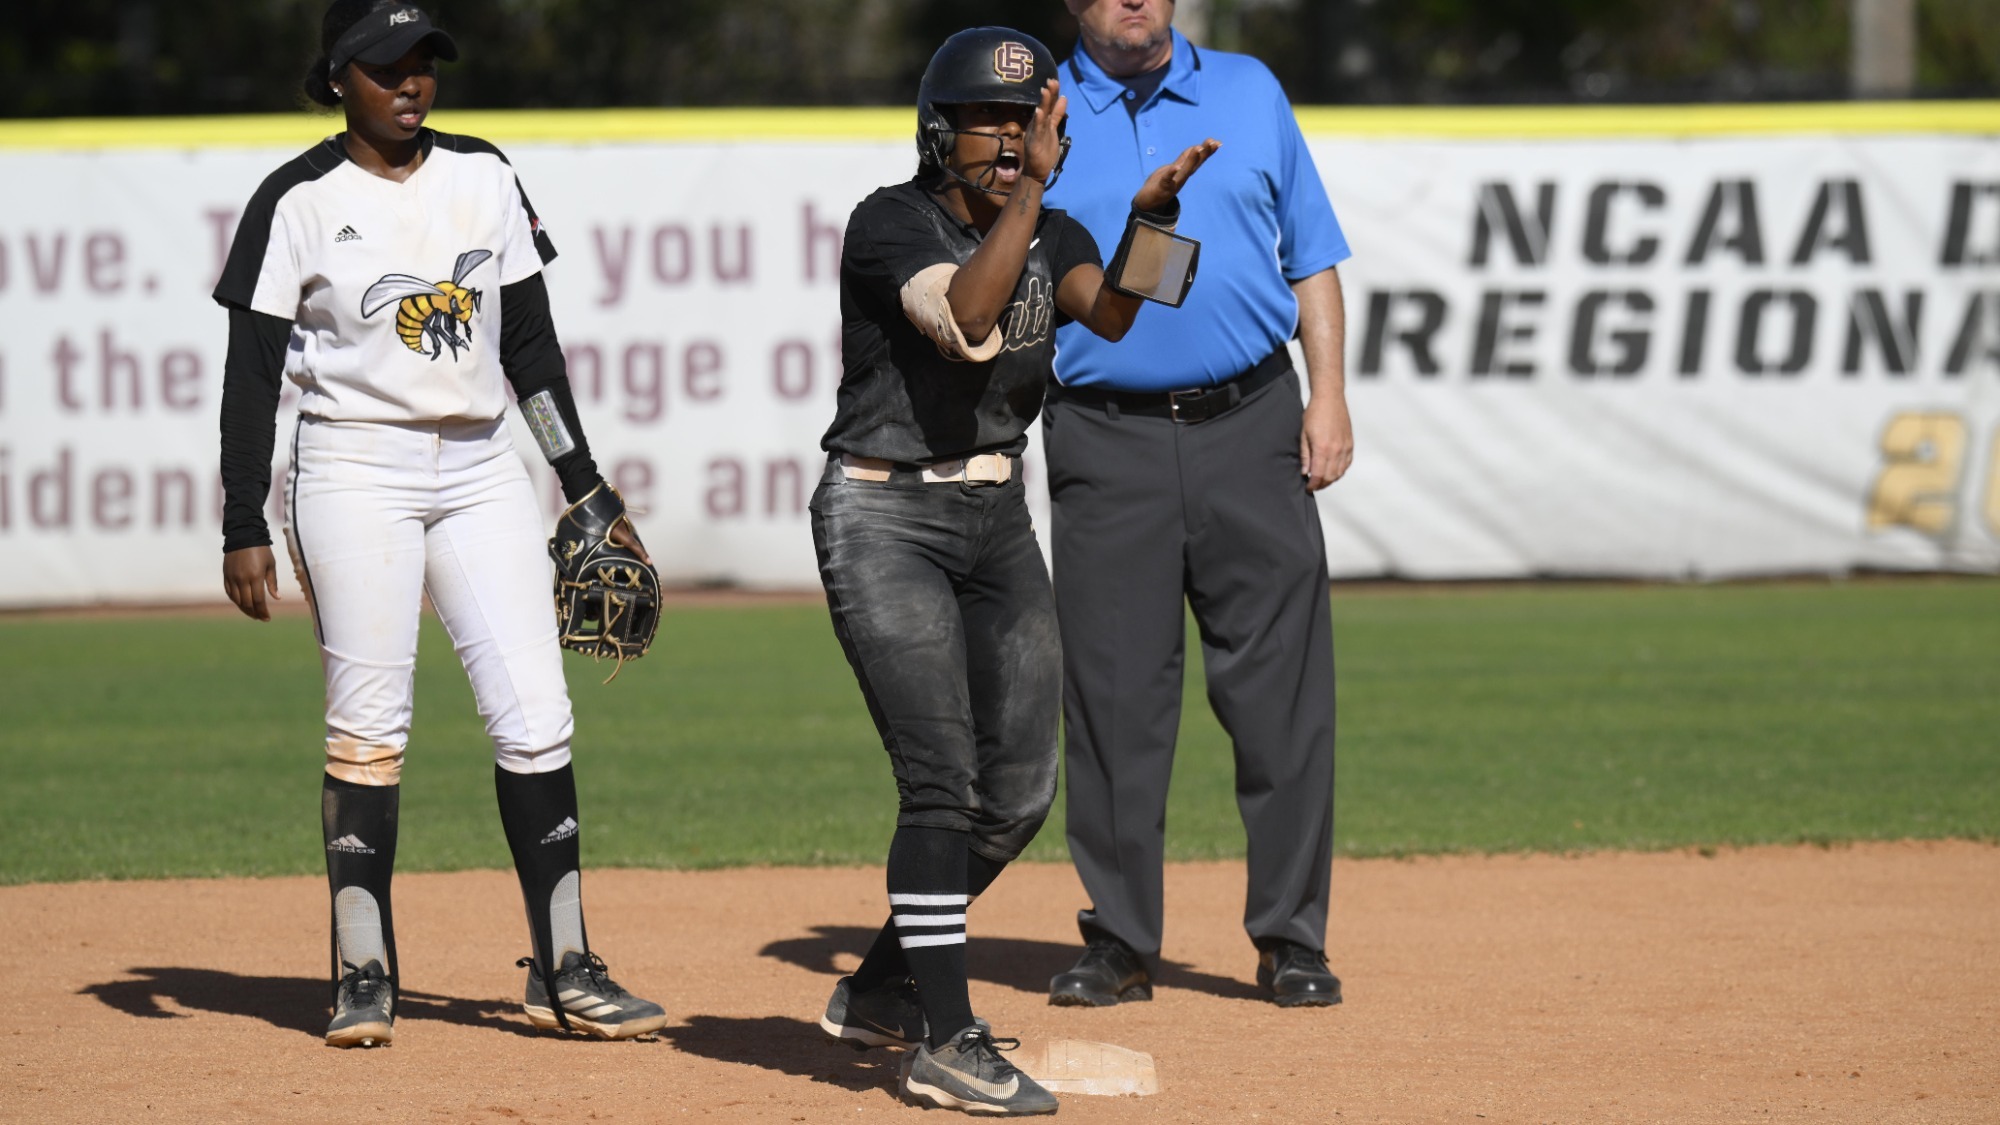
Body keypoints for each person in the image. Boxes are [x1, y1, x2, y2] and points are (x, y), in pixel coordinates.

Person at [214, 0, 666, 1048]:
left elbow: (532, 353)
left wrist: (585, 487)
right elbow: (250, 379)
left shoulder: (484, 174)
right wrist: (242, 518)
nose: (410, 82)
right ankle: (363, 969)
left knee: (537, 714)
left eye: (423, 62)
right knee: (369, 724)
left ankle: (565, 968)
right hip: (352, 467)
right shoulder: (296, 198)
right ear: (338, 77)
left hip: (479, 465)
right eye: (385, 65)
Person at [810, 26, 1215, 1116]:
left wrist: (1154, 221)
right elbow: (968, 315)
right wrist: (1031, 193)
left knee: (1020, 792)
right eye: (987, 120)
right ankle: (946, 1041)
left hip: (994, 515)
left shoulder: (1054, 225)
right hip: (884, 514)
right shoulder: (890, 223)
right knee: (940, 782)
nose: (1008, 139)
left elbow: (1115, 315)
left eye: (1027, 119)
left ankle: (882, 984)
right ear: (937, 130)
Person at [1041, 0, 1354, 1009]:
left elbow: (1310, 255)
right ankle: (1120, 940)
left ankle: (1291, 938)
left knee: (1281, 697)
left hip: (1250, 424)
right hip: (1103, 436)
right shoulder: (1040, 112)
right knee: (1112, 701)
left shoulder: (1248, 90)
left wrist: (1328, 396)